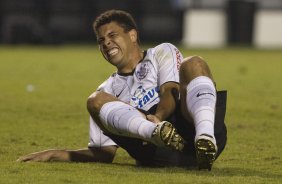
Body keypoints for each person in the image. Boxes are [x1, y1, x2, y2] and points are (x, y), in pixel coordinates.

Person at [17, 9, 227, 170]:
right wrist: (57, 154)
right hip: (159, 153)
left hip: (189, 130)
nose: (106, 43)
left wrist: (159, 116)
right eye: (101, 41)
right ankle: (155, 133)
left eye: (112, 35)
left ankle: (205, 139)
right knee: (94, 100)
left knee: (194, 63)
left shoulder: (161, 52)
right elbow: (104, 153)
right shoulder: (105, 92)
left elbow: (169, 91)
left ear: (132, 35)